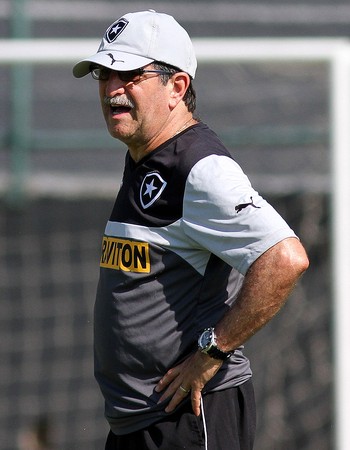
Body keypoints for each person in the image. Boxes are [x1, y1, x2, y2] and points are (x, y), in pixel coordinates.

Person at [73, 10, 309, 450]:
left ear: (176, 87)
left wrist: (211, 352)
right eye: (103, 75)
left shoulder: (201, 169)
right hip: (139, 423)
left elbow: (285, 259)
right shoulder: (146, 154)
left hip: (189, 417)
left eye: (128, 75)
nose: (111, 90)